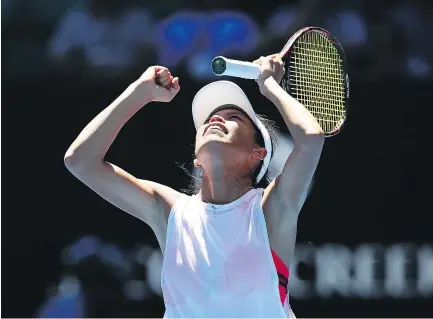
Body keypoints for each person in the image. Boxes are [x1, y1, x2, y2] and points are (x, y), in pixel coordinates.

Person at [64, 54, 324, 318]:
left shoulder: (271, 208)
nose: (215, 120)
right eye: (209, 119)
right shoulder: (171, 211)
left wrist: (270, 85)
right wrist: (138, 93)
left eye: (234, 117)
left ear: (257, 154)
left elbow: (311, 139)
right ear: (197, 160)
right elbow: (80, 161)